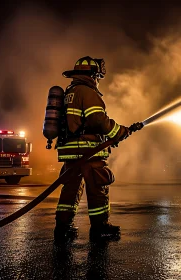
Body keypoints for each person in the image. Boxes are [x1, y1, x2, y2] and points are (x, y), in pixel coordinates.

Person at [54, 56, 131, 241]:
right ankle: (100, 228)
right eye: (97, 76)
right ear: (92, 75)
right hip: (87, 151)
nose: (98, 80)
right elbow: (98, 120)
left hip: (72, 151)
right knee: (98, 187)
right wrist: (119, 131)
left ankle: (63, 228)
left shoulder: (69, 92)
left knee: (70, 189)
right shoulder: (87, 92)